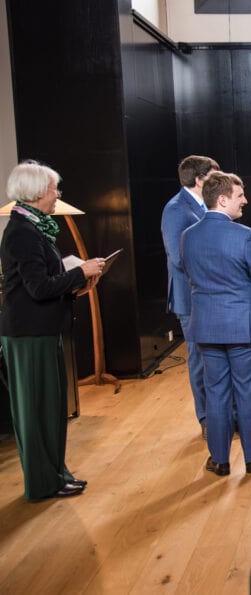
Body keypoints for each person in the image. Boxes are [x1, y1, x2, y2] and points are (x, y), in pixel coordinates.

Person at [0, 160, 104, 500]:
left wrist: (78, 278)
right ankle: (44, 483)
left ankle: (56, 474)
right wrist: (80, 271)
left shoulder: (35, 228)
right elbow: (38, 288)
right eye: (52, 189)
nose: (57, 195)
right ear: (34, 193)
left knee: (51, 408)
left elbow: (45, 281)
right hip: (28, 335)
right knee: (37, 412)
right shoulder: (21, 232)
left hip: (42, 330)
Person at [181, 171, 251, 476]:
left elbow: (190, 277)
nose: (245, 201)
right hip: (243, 325)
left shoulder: (188, 236)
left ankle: (219, 460)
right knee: (248, 391)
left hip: (206, 327)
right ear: (222, 199)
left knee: (216, 392)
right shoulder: (245, 235)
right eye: (240, 195)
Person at [160, 154, 219, 438]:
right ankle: (208, 420)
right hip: (192, 297)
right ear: (199, 180)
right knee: (199, 360)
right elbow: (178, 258)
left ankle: (227, 417)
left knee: (218, 359)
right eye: (213, 177)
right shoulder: (175, 210)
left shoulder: (204, 206)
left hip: (210, 295)